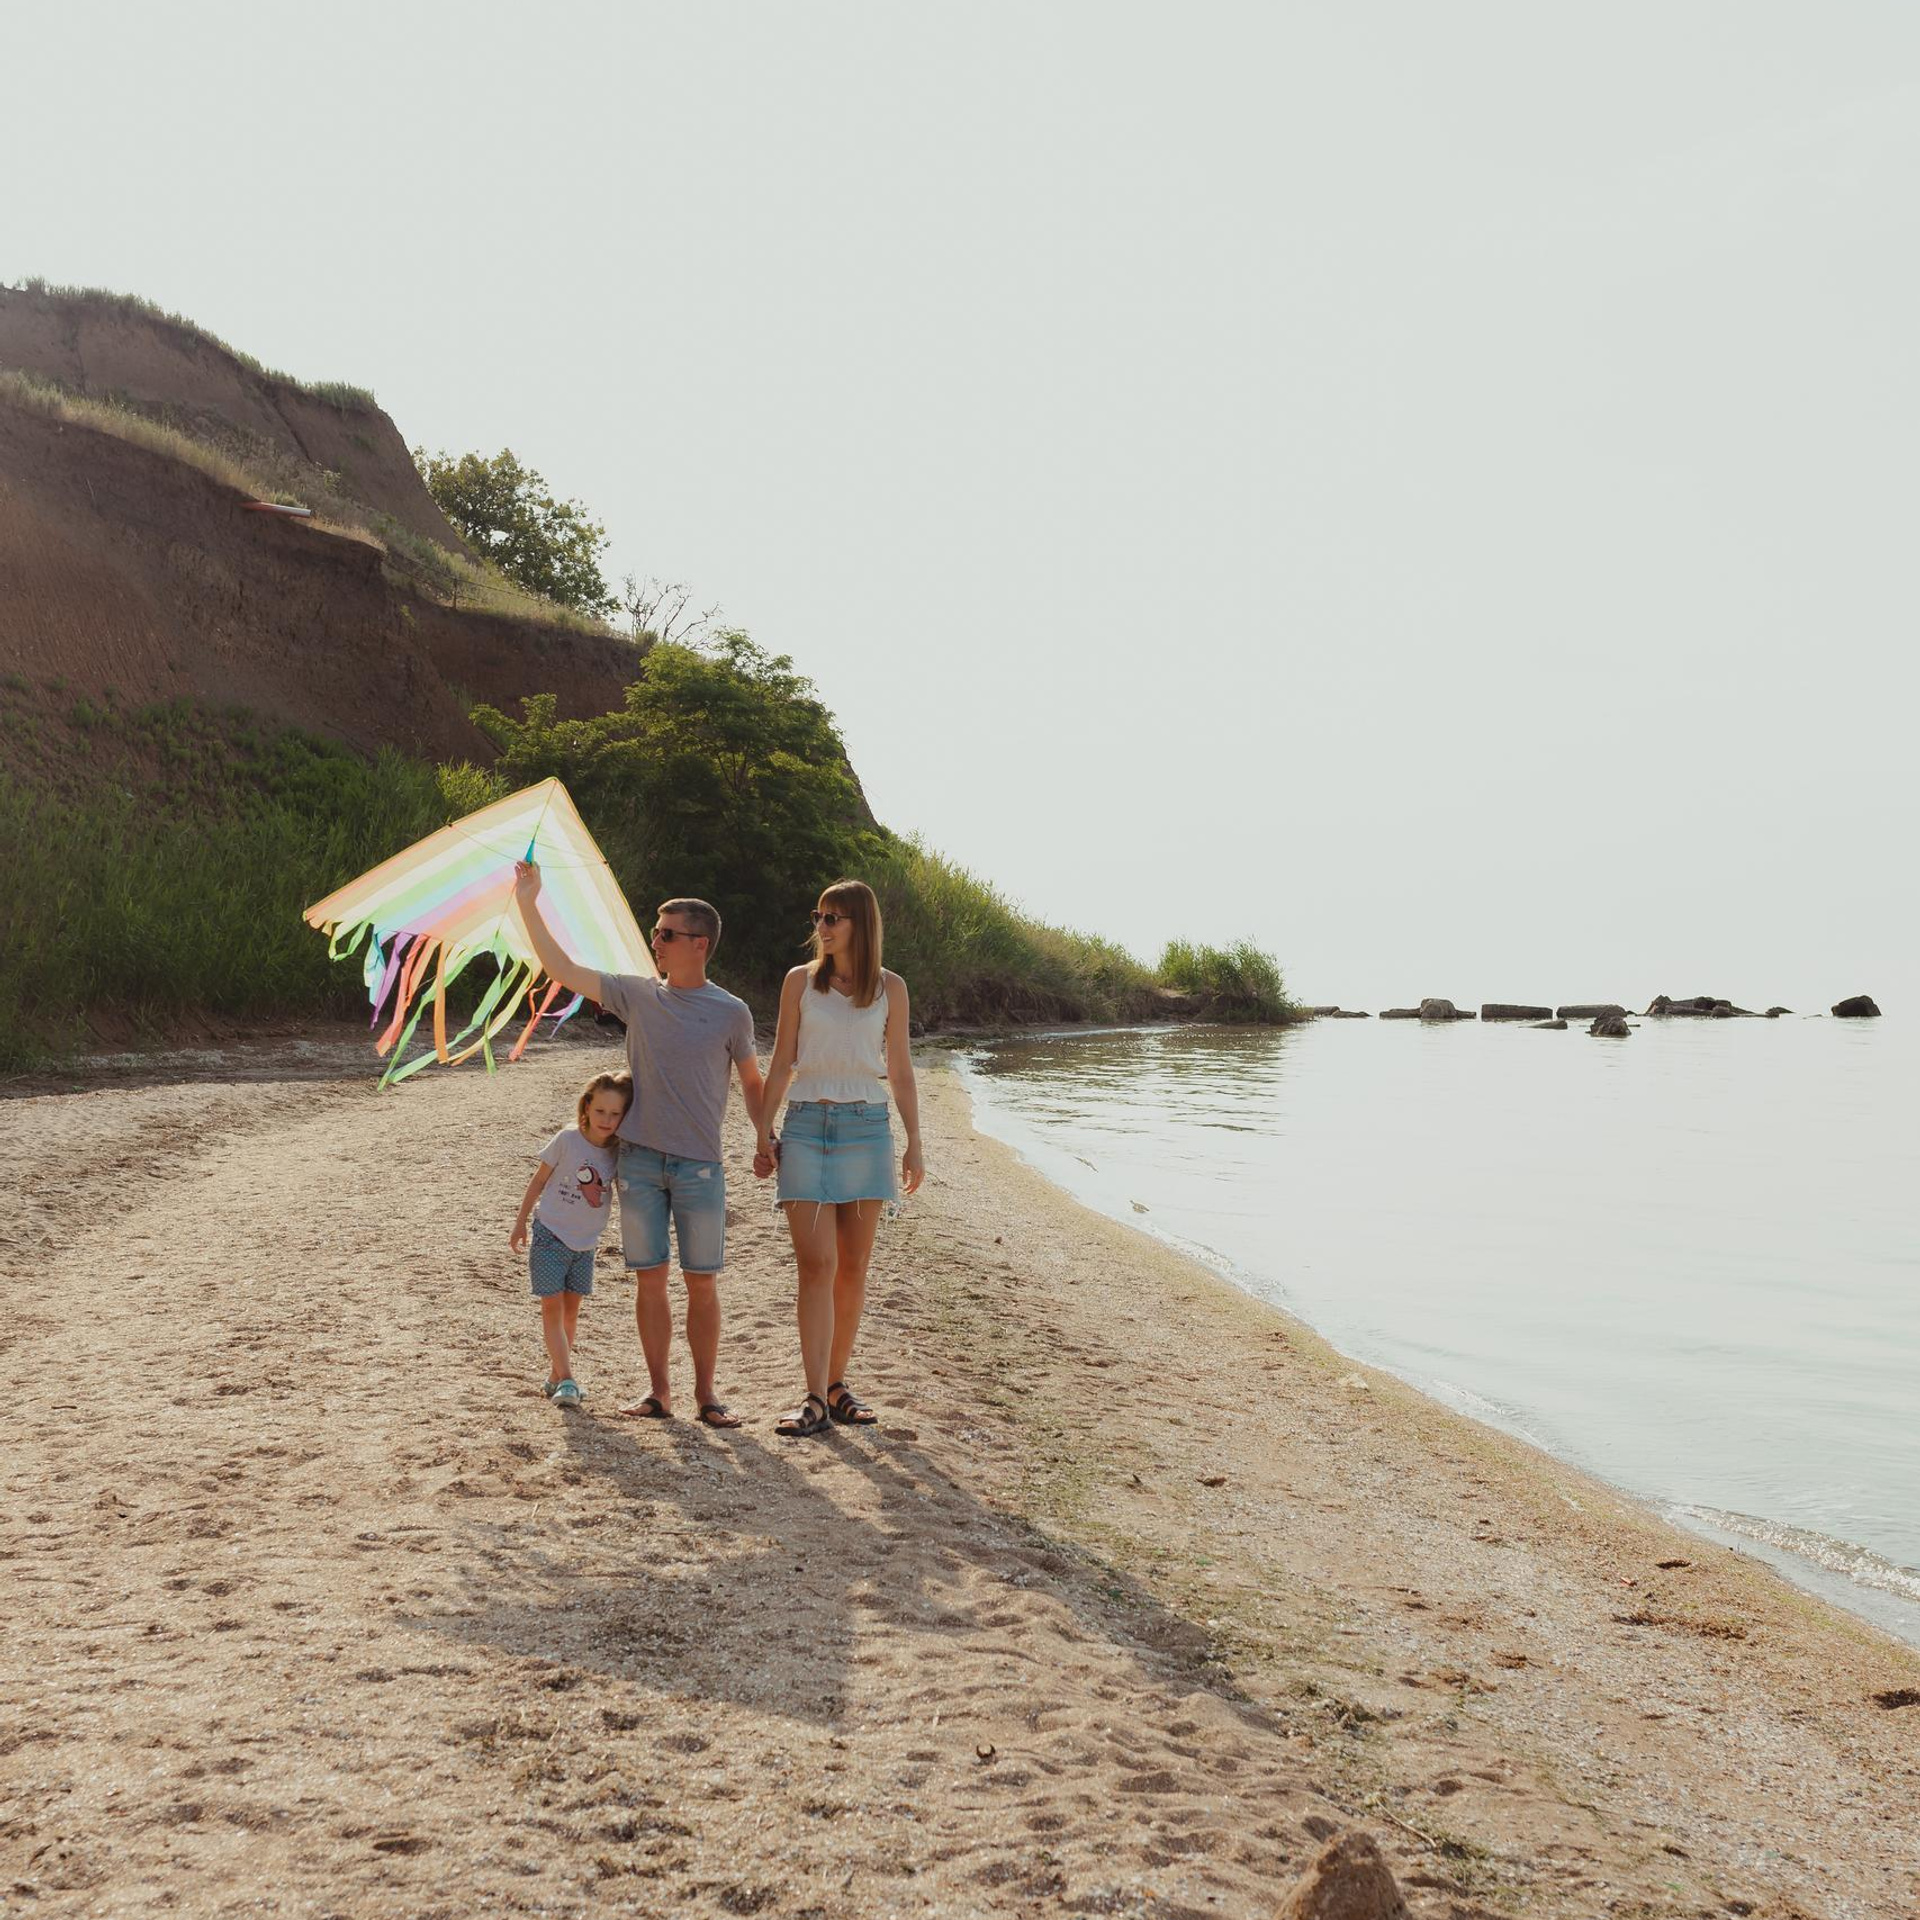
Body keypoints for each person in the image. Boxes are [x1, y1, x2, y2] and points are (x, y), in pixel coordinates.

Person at [513, 862, 766, 1428]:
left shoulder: (732, 1012)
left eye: (666, 933)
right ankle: (659, 1393)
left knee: (702, 1283)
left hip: (701, 1166)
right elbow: (560, 968)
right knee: (650, 1280)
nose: (655, 940)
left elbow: (752, 1082)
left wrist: (763, 1132)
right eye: (655, 931)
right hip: (641, 1163)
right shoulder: (636, 994)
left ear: (699, 944)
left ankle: (707, 1396)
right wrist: (529, 900)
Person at [753, 880, 924, 1437]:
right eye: (819, 916)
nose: (822, 926)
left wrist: (914, 1141)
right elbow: (782, 1059)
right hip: (806, 1126)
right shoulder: (799, 981)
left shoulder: (891, 988)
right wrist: (762, 1130)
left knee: (853, 1267)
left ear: (860, 924)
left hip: (868, 1129)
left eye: (834, 917)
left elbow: (899, 1069)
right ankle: (813, 1397)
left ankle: (835, 1385)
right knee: (817, 1265)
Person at [509, 1069, 633, 1407]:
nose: (606, 1120)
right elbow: (538, 1182)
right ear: (586, 1107)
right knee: (552, 1307)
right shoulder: (567, 1140)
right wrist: (520, 1222)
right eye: (600, 1111)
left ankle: (555, 1377)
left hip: (586, 1243)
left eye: (615, 1114)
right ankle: (567, 1379)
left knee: (571, 1314)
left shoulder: (618, 1153)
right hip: (550, 1234)